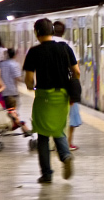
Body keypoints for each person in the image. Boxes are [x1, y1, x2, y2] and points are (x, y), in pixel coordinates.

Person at [23, 18, 80, 184]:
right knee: (58, 128)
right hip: (62, 96)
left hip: (43, 96)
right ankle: (65, 155)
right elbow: (76, 71)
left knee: (42, 134)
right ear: (53, 32)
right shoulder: (65, 48)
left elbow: (28, 79)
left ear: (37, 33)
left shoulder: (34, 52)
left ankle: (47, 174)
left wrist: (30, 87)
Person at [53, 21, 82, 151]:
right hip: (66, 86)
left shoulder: (42, 45)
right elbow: (76, 70)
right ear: (63, 31)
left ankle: (53, 143)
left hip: (49, 87)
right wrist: (75, 84)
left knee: (52, 115)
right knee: (71, 116)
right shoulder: (68, 45)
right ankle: (68, 143)